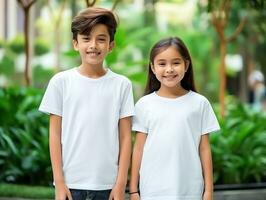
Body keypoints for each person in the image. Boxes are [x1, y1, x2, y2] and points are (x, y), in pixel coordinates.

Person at [39, 7, 134, 200]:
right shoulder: (60, 82)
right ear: (76, 44)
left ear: (111, 45)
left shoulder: (122, 85)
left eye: (101, 39)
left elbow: (125, 138)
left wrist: (120, 184)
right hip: (71, 184)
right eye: (86, 38)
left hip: (108, 186)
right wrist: (59, 182)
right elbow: (55, 135)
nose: (93, 45)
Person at [129, 37, 220, 200]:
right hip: (153, 190)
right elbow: (138, 149)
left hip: (190, 189)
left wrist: (208, 191)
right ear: (152, 67)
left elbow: (204, 149)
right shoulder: (144, 104)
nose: (169, 69)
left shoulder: (200, 103)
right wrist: (134, 190)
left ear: (186, 65)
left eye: (176, 63)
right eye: (162, 64)